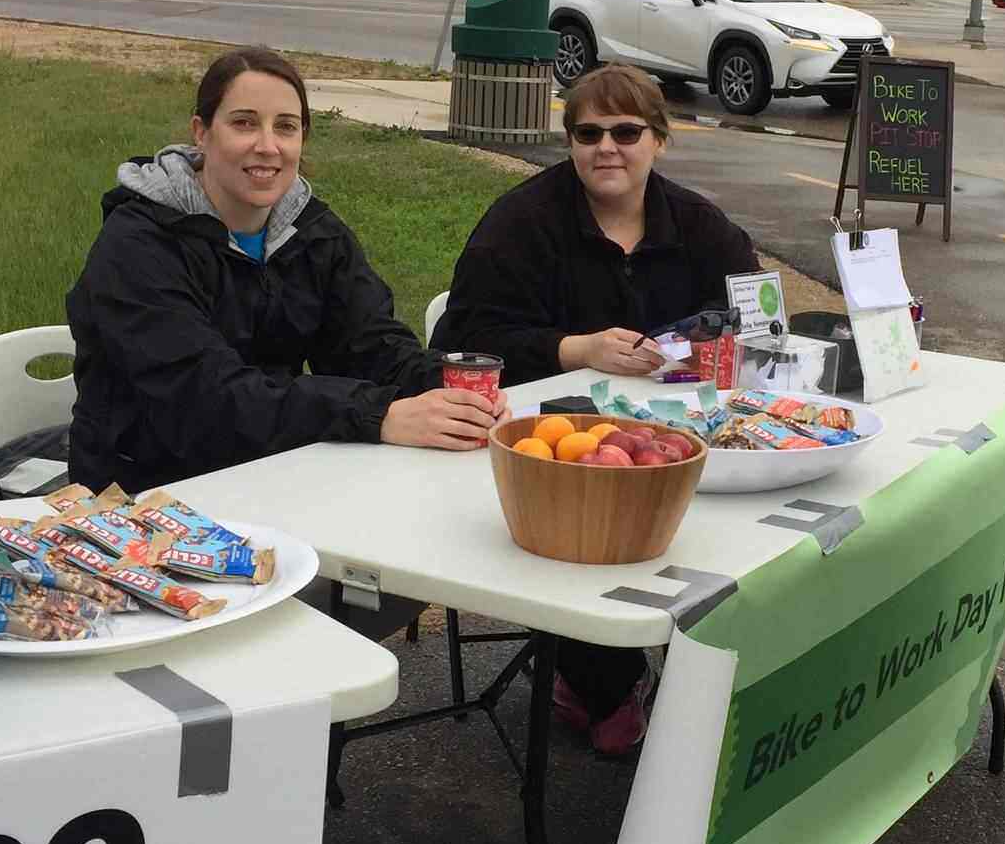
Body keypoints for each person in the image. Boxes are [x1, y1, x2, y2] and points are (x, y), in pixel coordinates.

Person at [433, 63, 759, 753]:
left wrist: (701, 346)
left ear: (659, 140)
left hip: (683, 440)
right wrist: (575, 347)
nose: (605, 146)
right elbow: (462, 342)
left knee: (740, 538)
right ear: (569, 141)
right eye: (587, 132)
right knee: (589, 527)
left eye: (625, 130)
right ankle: (603, 682)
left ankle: (679, 675)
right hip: (551, 452)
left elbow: (754, 320)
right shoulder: (521, 222)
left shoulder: (700, 226)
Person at [66, 46, 506, 494]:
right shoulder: (138, 246)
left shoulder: (312, 233)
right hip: (144, 495)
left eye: (286, 127)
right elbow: (204, 400)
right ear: (201, 132)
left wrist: (455, 394)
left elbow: (371, 344)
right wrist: (379, 414)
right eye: (243, 123)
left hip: (275, 472)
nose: (267, 146)